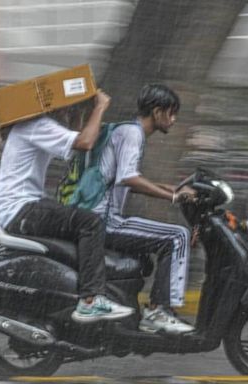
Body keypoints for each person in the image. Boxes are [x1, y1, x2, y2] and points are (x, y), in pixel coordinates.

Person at [0, 89, 134, 323]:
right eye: (65, 107)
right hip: (22, 209)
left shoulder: (31, 126)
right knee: (90, 223)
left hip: (19, 208)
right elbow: (85, 142)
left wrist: (77, 112)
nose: (68, 111)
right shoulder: (38, 125)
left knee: (78, 219)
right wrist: (99, 108)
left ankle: (77, 292)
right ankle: (90, 300)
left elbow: (77, 137)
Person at [90, 84, 196, 334]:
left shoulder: (126, 131)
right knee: (178, 236)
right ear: (157, 112)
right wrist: (172, 198)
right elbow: (129, 178)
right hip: (105, 220)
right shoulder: (132, 134)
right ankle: (159, 311)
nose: (174, 119)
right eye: (171, 113)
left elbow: (128, 179)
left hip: (98, 217)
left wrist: (173, 191)